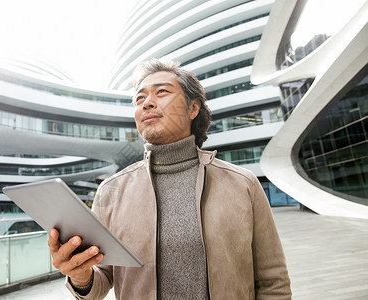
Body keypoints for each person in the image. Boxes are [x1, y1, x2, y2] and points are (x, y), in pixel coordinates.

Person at [48, 59, 292, 299]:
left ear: (193, 108)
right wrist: (80, 276)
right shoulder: (111, 191)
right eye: (139, 98)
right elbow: (102, 278)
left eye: (161, 92)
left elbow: (273, 282)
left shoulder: (243, 184)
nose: (147, 104)